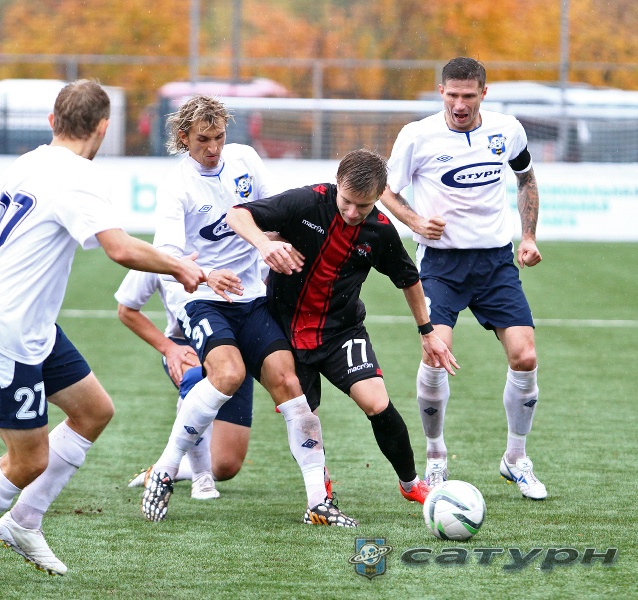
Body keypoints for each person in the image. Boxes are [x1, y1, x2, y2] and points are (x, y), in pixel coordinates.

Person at [0, 79, 205, 584]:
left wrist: (7, 289)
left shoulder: (30, 161)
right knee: (28, 460)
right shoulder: (79, 176)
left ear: (53, 121)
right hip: (5, 333)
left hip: (31, 325)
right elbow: (119, 248)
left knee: (94, 411)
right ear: (103, 127)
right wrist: (179, 265)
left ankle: (23, 522)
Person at [140, 94, 355, 527]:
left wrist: (283, 243)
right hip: (201, 299)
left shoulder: (245, 160)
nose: (213, 148)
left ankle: (318, 502)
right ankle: (164, 471)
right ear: (183, 137)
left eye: (219, 137)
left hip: (252, 296)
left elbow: (278, 212)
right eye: (203, 140)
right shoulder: (176, 186)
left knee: (288, 381)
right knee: (228, 373)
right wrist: (207, 275)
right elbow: (167, 256)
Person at [226, 148, 458, 510]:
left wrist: (427, 331)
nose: (351, 213)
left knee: (377, 403)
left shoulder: (380, 230)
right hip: (285, 331)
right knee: (305, 416)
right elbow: (237, 214)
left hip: (342, 332)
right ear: (337, 183)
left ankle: (411, 483)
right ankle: (320, 487)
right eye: (346, 201)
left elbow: (408, 278)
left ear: (378, 196)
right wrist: (264, 245)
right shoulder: (306, 202)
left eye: (362, 206)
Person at [380, 57, 548, 500]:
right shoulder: (417, 135)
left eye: (468, 96)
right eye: (452, 95)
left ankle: (516, 458)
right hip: (441, 266)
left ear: (483, 94)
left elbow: (526, 179)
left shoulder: (508, 130)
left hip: (495, 263)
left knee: (525, 356)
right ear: (441, 92)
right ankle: (436, 455)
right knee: (437, 356)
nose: (459, 104)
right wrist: (415, 221)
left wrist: (528, 236)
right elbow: (385, 190)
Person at [115, 268, 255, 499]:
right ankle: (201, 477)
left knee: (225, 465)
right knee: (194, 378)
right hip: (185, 345)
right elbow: (126, 308)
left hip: (233, 352)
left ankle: (164, 471)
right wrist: (169, 349)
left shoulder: (247, 250)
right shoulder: (161, 253)